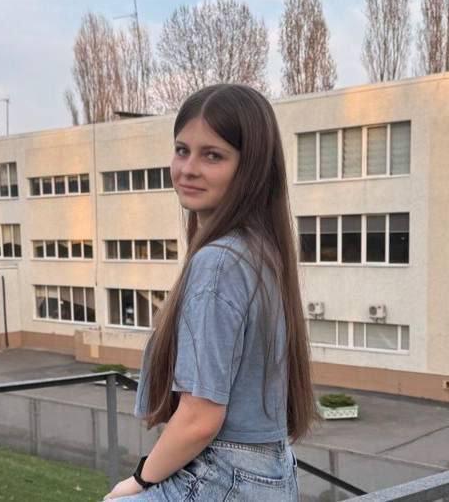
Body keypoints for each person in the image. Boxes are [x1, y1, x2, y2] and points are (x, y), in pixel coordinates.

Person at [103, 83, 317, 501]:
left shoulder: (219, 263)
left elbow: (200, 417)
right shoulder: (260, 250)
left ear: (250, 169)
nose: (188, 169)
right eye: (182, 150)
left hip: (223, 475)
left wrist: (139, 480)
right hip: (271, 472)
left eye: (212, 155)